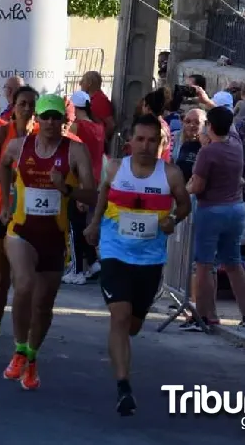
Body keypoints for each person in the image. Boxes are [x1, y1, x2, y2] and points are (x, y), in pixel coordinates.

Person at [85, 113, 191, 415]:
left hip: (150, 258)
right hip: (115, 252)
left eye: (152, 140)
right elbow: (104, 192)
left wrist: (173, 219)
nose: (145, 146)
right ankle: (123, 387)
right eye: (140, 139)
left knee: (133, 325)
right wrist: (94, 225)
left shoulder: (170, 175)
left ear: (161, 143)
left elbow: (184, 203)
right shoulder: (117, 168)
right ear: (129, 141)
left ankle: (124, 362)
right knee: (119, 316)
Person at [0, 94, 97, 390]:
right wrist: (5, 200)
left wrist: (65, 188)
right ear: (37, 120)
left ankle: (32, 356)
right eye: (46, 117)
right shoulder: (20, 145)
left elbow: (91, 195)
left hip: (54, 237)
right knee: (25, 285)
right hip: (21, 231)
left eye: (57, 118)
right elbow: (3, 163)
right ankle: (18, 350)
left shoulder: (75, 151)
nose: (51, 123)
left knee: (43, 305)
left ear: (65, 121)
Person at [0, 86, 38, 359]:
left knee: (23, 281)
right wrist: (9, 178)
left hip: (31, 215)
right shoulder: (3, 134)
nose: (26, 109)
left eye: (30, 105)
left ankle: (23, 342)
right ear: (13, 106)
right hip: (2, 211)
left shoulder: (41, 135)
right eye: (22, 104)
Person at [186, 106, 245, 330]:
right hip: (236, 209)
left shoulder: (207, 153)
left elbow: (198, 185)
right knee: (234, 263)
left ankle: (204, 316)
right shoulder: (236, 145)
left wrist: (183, 188)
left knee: (204, 266)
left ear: (210, 126)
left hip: (212, 210)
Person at [65, 90, 106, 285]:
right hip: (96, 179)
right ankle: (92, 262)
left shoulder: (76, 126)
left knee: (75, 225)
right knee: (83, 225)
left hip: (81, 180)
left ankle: (77, 269)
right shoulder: (98, 127)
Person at [79, 71, 115, 139]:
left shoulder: (100, 100)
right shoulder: (92, 99)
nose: (80, 83)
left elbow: (111, 125)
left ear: (89, 83)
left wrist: (99, 141)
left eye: (82, 80)